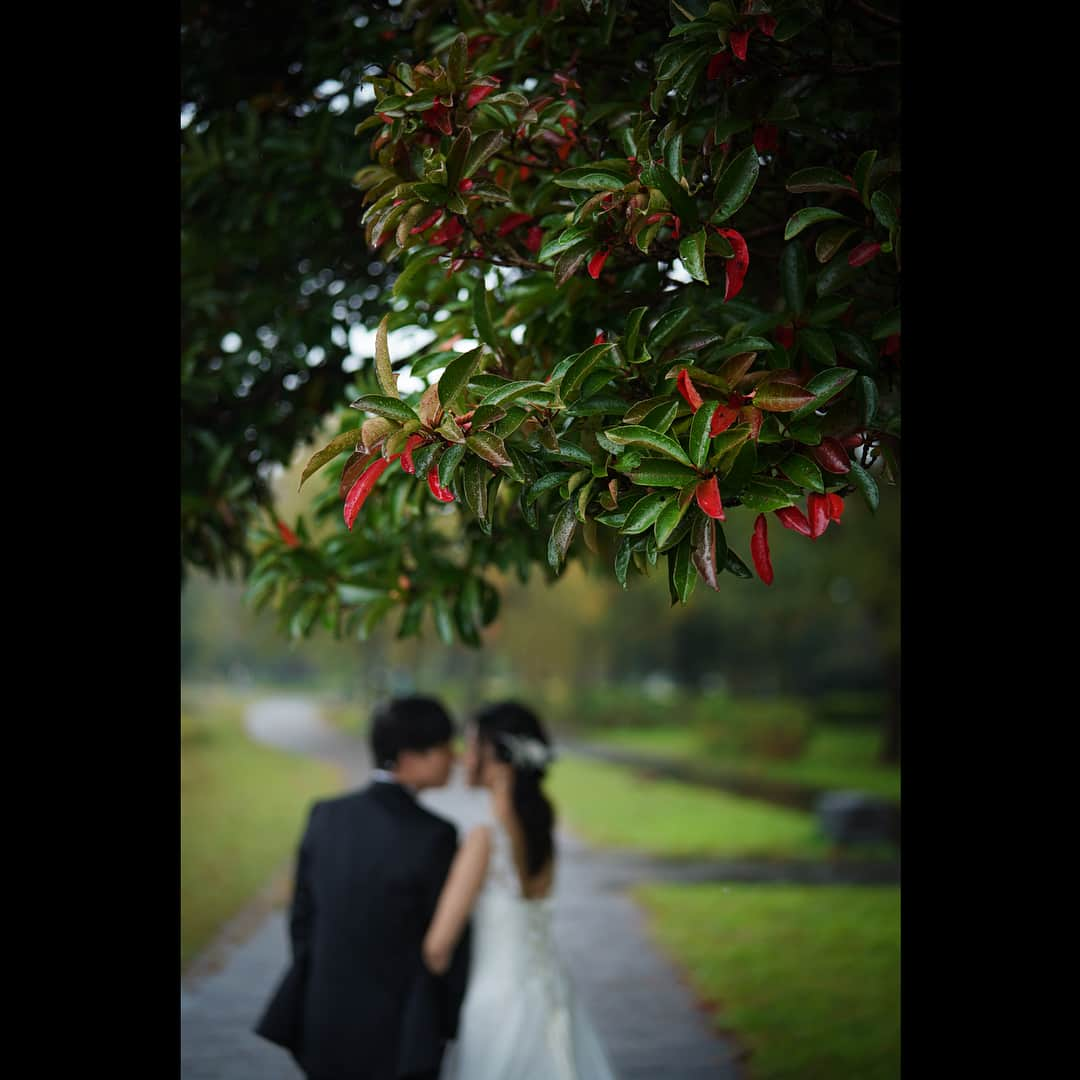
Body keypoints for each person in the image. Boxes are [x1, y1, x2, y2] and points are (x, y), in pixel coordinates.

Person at [254, 696, 471, 1080]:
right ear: (409, 756)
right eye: (443, 748)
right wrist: (445, 1022)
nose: (453, 759)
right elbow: (446, 944)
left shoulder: (325, 815)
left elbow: (301, 918)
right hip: (401, 1029)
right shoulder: (435, 836)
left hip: (322, 1017)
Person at [425, 701, 618, 1080]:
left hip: (496, 1005)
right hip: (551, 993)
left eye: (471, 745)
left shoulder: (484, 840)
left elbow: (437, 947)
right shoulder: (540, 830)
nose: (463, 758)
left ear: (497, 758)